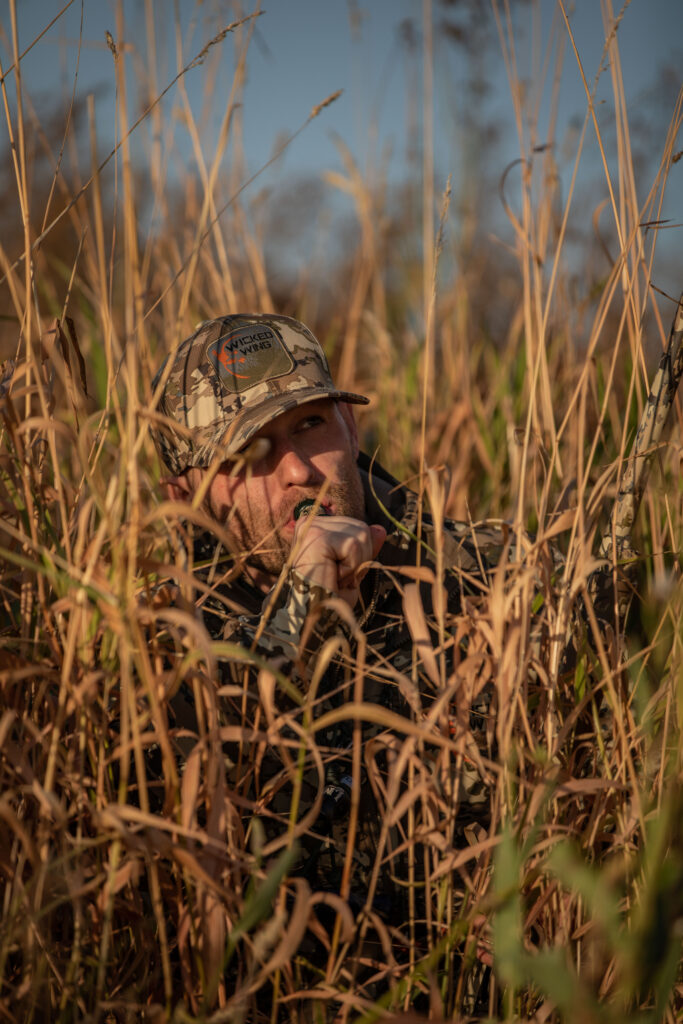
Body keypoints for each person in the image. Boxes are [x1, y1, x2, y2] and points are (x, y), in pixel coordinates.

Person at [149, 313, 562, 1009]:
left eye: (310, 425)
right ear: (185, 497)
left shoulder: (485, 576)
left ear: (350, 426)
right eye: (247, 452)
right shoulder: (156, 642)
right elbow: (210, 833)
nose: (297, 470)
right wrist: (297, 617)